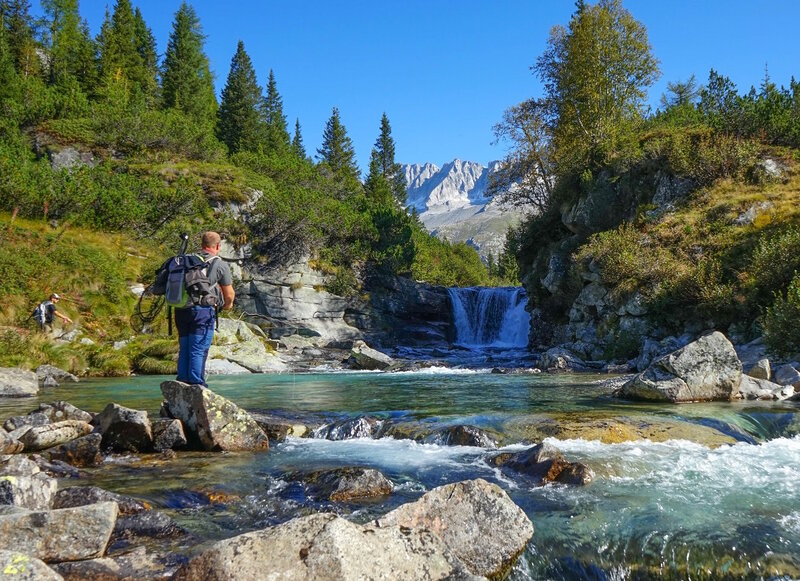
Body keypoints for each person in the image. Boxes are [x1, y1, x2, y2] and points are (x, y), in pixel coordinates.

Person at [175, 231, 235, 386]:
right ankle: (197, 386)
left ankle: (181, 383)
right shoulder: (219, 264)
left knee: (185, 348)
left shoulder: (186, 260)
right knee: (198, 349)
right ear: (218, 246)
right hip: (202, 312)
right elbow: (229, 294)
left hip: (181, 309)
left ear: (202, 245)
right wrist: (227, 306)